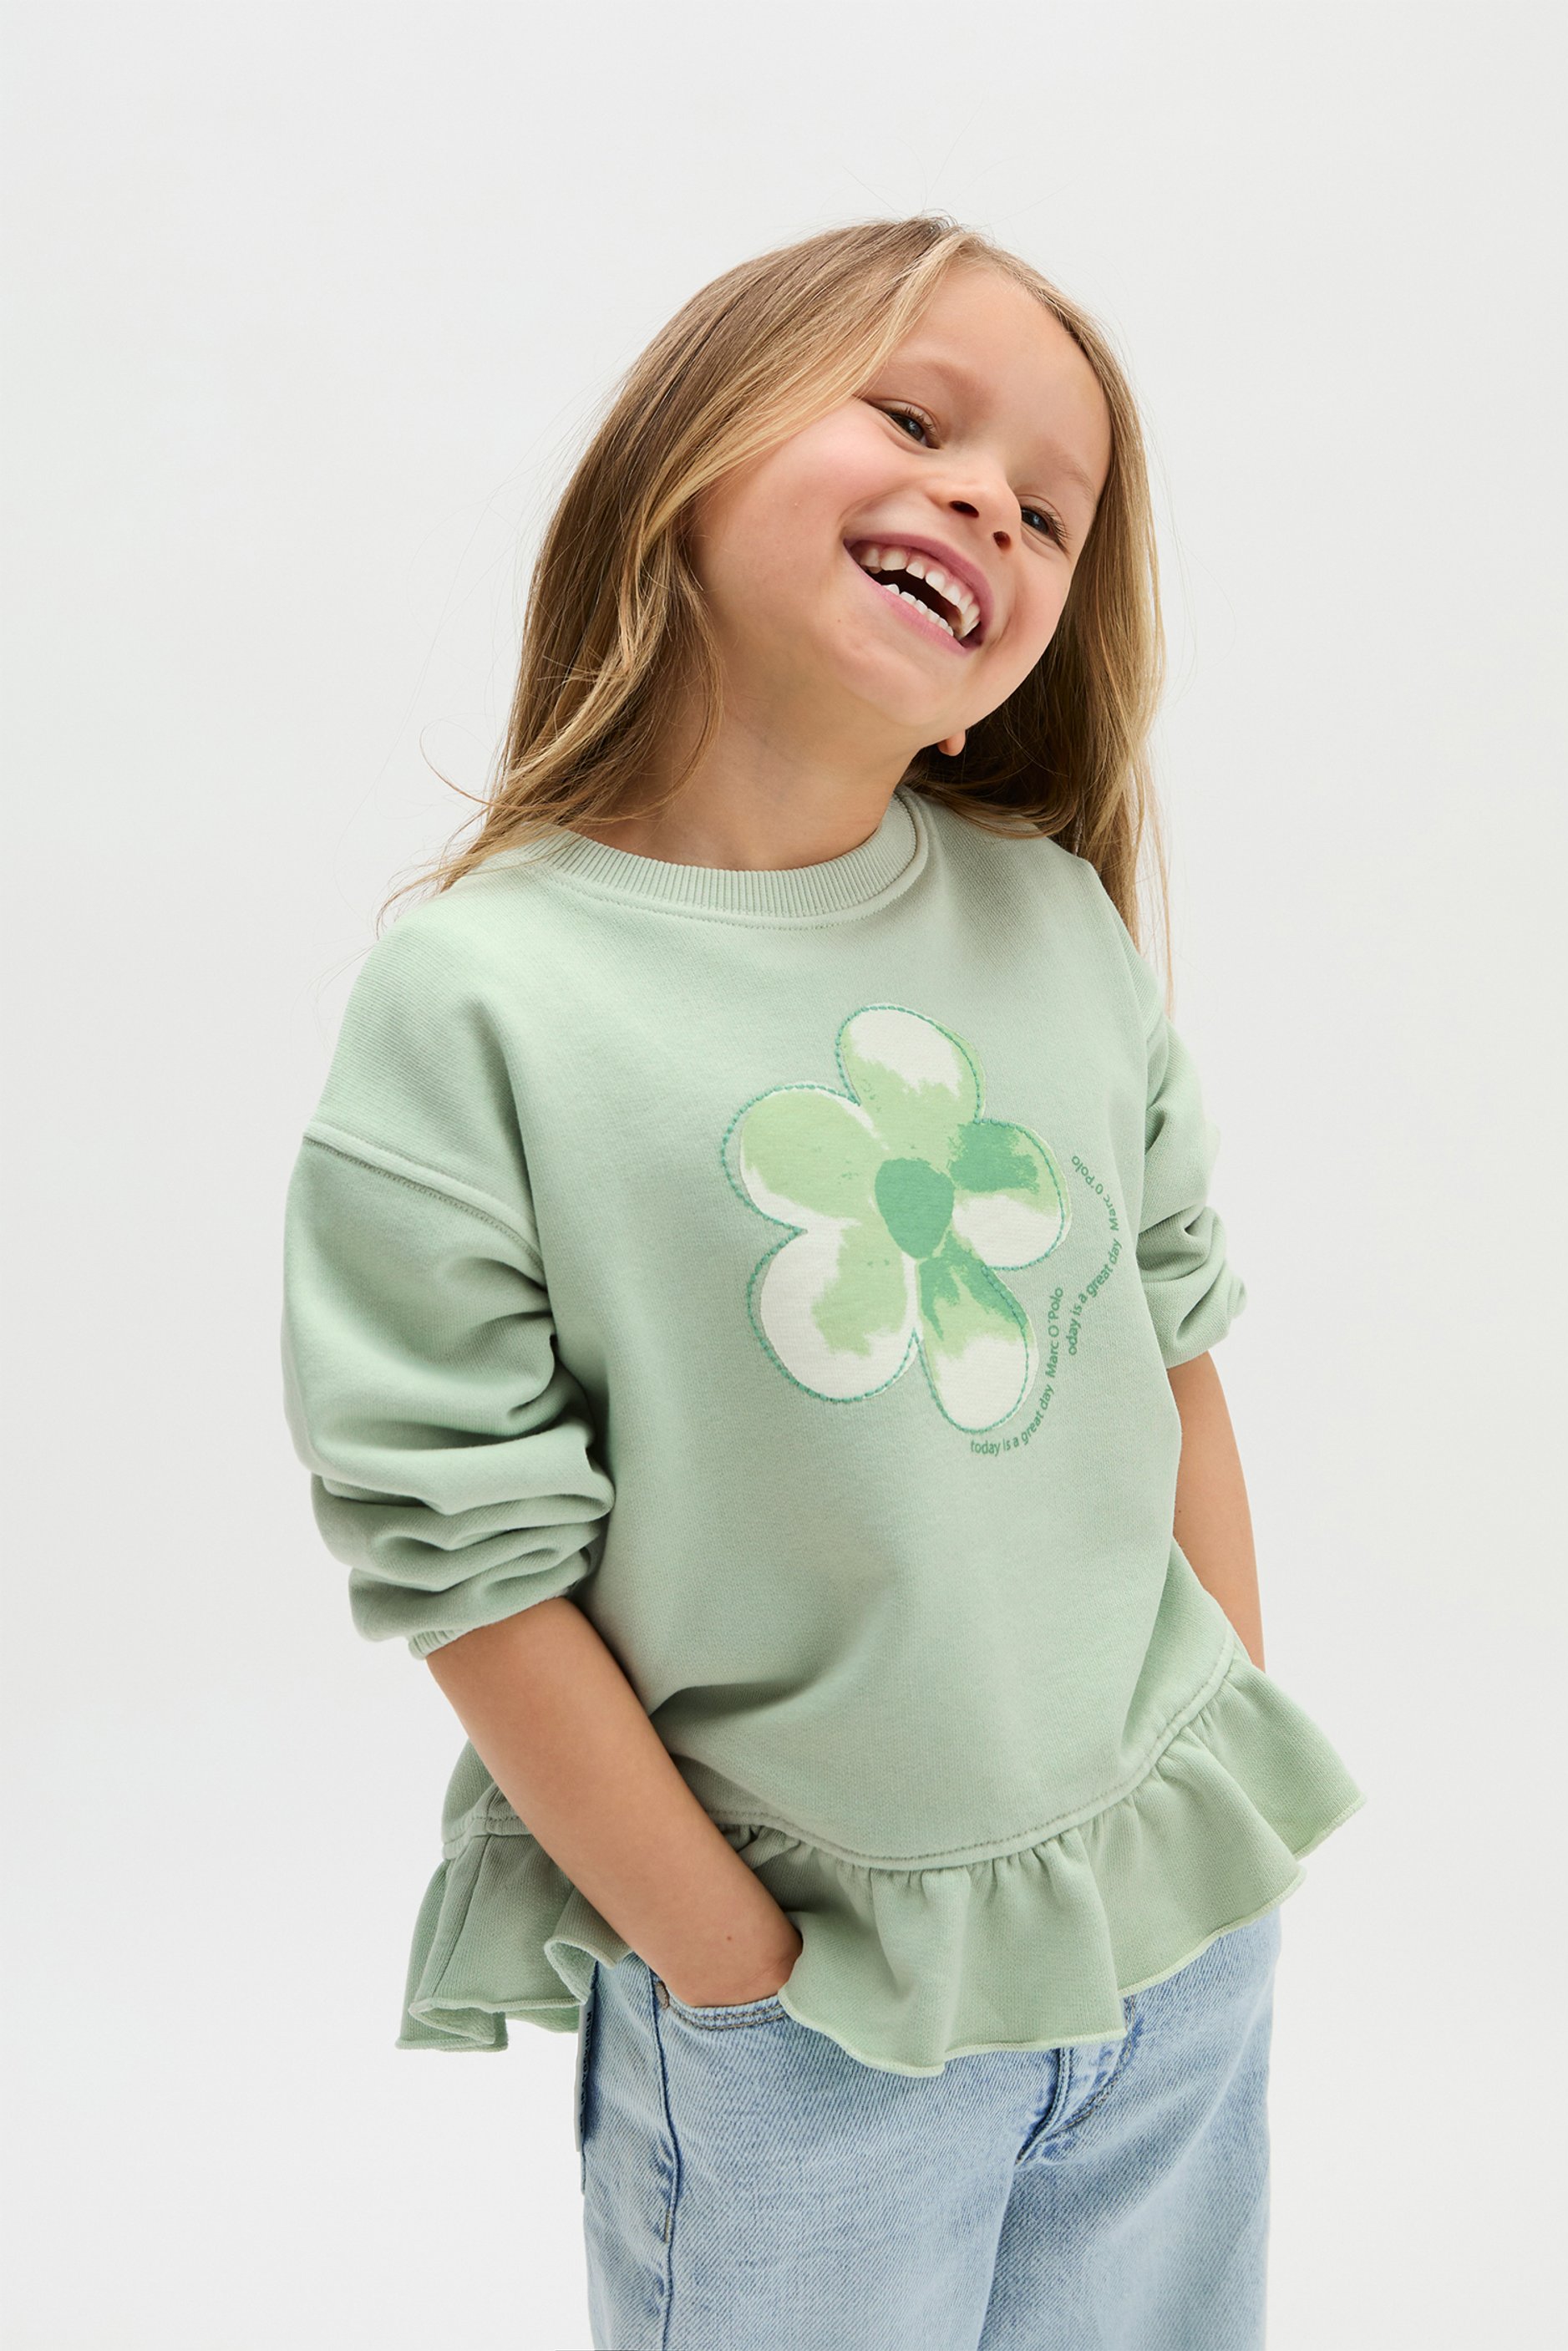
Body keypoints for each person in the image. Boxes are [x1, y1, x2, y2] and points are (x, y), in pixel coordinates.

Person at [279, 213, 1364, 2349]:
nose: (988, 504)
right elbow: (466, 1554)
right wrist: (733, 1970)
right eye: (914, 418)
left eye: (1048, 511)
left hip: (1168, 1944)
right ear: (680, 465)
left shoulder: (1049, 924)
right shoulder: (485, 1000)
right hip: (809, 2015)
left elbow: (1171, 1346)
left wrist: (1213, 1748)